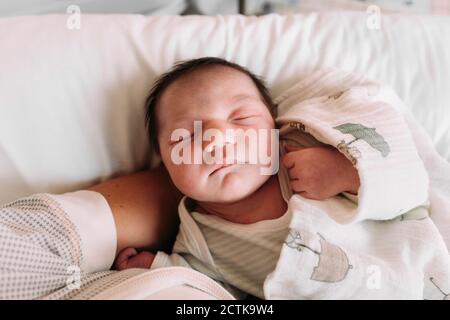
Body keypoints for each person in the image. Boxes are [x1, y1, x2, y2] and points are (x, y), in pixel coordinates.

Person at [113, 57, 360, 299]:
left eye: (241, 119)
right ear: (166, 163)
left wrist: (347, 170)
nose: (215, 139)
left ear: (274, 124)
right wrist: (158, 267)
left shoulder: (308, 146)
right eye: (186, 136)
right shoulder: (200, 239)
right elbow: (211, 287)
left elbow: (395, 179)